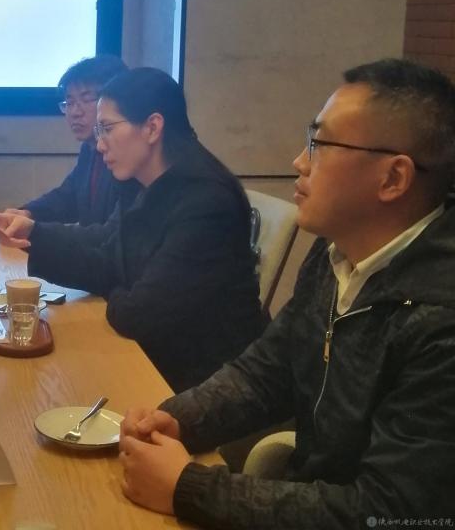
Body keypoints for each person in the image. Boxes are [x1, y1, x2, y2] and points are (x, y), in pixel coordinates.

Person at [118, 59, 455, 528]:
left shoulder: (440, 321)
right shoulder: (336, 252)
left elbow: (391, 512)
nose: (300, 161)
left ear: (393, 178)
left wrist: (189, 488)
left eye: (320, 144)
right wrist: (177, 419)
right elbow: (268, 372)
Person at [0, 67, 266, 392]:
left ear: (152, 127)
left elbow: (139, 315)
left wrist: (114, 286)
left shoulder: (206, 201)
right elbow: (108, 251)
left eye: (107, 129)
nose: (99, 144)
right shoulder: (146, 183)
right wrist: (34, 234)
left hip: (205, 384)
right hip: (161, 357)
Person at [3, 55, 141, 225]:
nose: (75, 112)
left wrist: (34, 230)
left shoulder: (127, 156)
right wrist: (27, 213)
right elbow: (68, 197)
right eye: (69, 102)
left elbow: (110, 233)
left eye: (86, 99)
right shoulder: (89, 148)